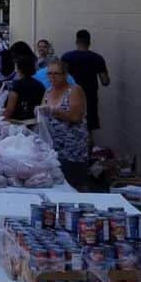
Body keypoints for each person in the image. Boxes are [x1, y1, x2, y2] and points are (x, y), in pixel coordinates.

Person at [38, 57, 90, 187]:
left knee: (72, 183)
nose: (53, 77)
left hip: (72, 149)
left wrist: (54, 111)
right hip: (52, 148)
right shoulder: (48, 91)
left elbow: (75, 117)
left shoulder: (74, 90)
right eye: (50, 73)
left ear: (65, 75)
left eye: (56, 73)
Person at [61, 29, 110, 132]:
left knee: (69, 127)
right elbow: (105, 81)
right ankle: (88, 147)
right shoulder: (98, 58)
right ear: (89, 43)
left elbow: (61, 77)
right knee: (88, 128)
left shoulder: (67, 57)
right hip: (90, 97)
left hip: (70, 96)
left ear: (76, 42)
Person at [3, 54, 46, 122]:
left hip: (18, 122)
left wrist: (2, 120)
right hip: (35, 121)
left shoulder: (17, 85)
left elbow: (10, 109)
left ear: (19, 68)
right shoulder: (40, 85)